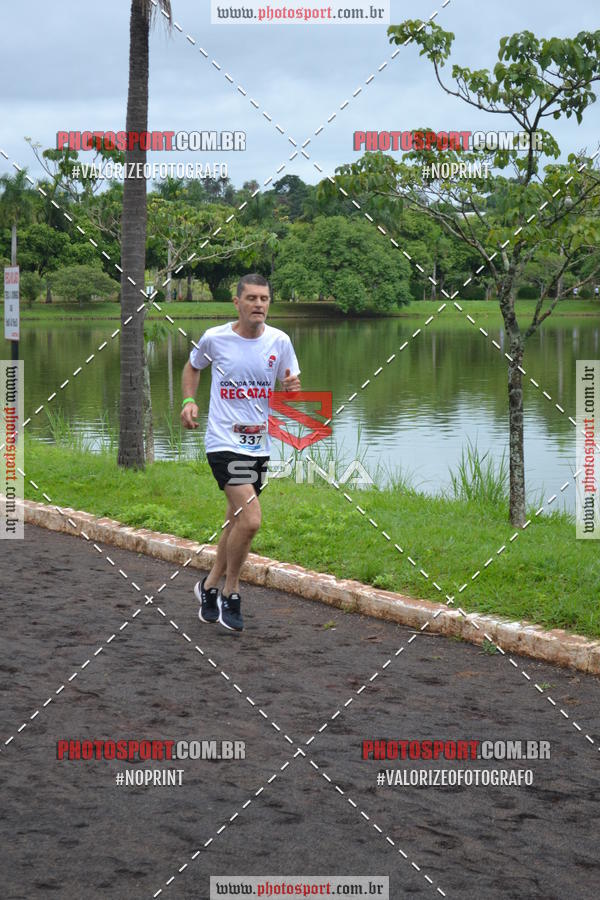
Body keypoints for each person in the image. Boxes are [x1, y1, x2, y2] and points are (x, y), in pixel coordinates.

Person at [180, 274, 301, 632]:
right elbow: (192, 367)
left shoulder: (280, 341)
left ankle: (207, 586)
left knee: (235, 522)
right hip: (222, 441)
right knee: (251, 521)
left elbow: (289, 391)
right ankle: (230, 592)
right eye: (251, 298)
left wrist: (292, 389)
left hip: (259, 445)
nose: (259, 304)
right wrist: (189, 400)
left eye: (264, 299)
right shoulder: (215, 339)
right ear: (237, 303)